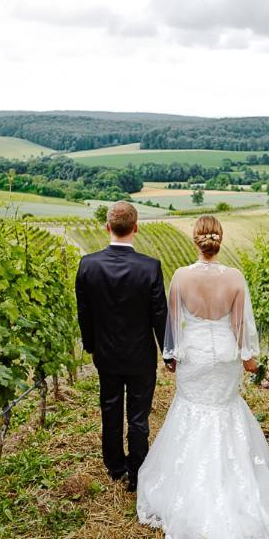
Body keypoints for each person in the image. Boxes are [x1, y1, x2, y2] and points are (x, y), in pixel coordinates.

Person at [136, 215, 269, 539]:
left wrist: (171, 358)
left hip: (194, 357)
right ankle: (234, 488)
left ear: (196, 240)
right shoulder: (235, 278)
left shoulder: (180, 277)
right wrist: (254, 366)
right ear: (219, 241)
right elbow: (240, 329)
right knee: (225, 409)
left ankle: (187, 490)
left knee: (191, 410)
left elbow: (173, 324)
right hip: (223, 356)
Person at [75, 201, 169, 492]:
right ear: (136, 227)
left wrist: (91, 346)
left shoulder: (88, 265)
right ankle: (138, 469)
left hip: (106, 353)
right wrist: (168, 352)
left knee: (110, 409)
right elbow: (159, 315)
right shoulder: (150, 267)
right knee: (139, 415)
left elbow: (84, 313)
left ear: (107, 227)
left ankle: (115, 467)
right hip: (141, 355)